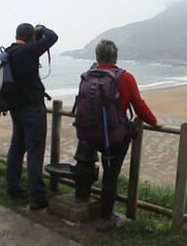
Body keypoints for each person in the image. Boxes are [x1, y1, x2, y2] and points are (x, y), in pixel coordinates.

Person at [74, 39, 161, 231]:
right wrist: (155, 121)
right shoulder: (125, 77)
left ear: (97, 57)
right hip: (112, 138)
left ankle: (83, 195)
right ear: (115, 57)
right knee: (111, 175)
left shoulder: (87, 75)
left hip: (88, 135)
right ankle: (105, 217)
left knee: (92, 164)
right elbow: (139, 106)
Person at [5, 23, 58, 210]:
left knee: (17, 148)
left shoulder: (10, 52)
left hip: (16, 108)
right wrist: (41, 29)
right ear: (30, 37)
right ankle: (37, 196)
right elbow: (53, 37)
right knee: (35, 152)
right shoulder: (28, 50)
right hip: (32, 110)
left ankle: (13, 186)